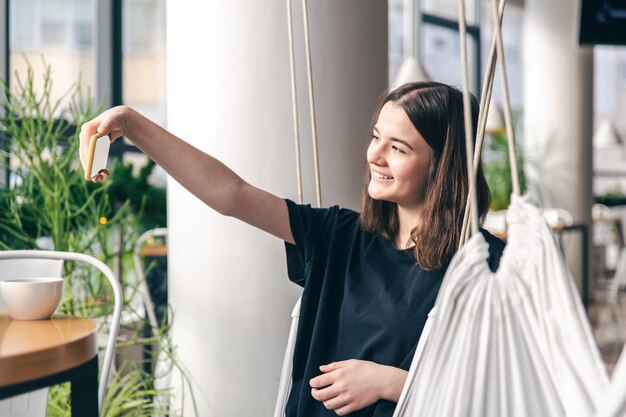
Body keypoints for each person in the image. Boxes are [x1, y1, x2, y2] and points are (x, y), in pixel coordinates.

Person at [79, 81, 505, 416]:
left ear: (443, 164)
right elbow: (231, 194)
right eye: (376, 137)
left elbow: (499, 391)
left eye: (398, 148)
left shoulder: (482, 266)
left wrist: (392, 383)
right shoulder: (338, 235)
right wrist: (133, 125)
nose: (375, 155)